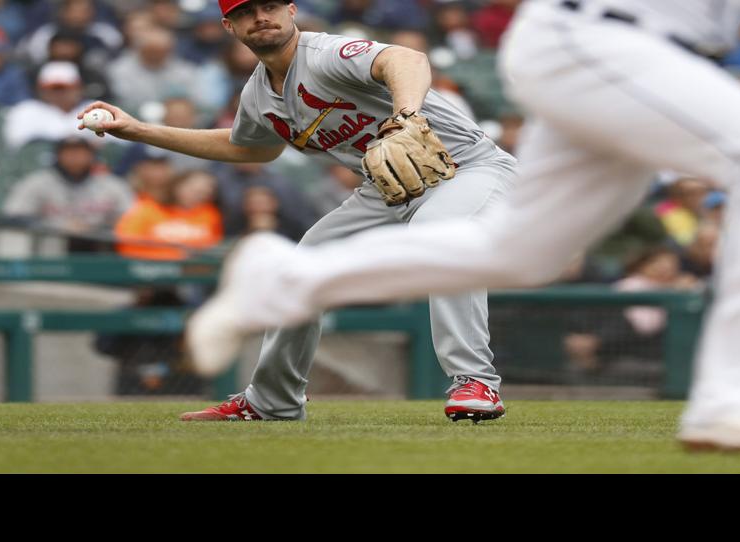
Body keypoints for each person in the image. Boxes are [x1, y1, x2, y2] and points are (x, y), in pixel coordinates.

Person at [188, 0, 740, 456]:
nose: (260, 15)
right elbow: (399, 61)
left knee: (520, 252)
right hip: (597, 38)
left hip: (613, 54)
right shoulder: (298, 70)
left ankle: (286, 275)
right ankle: (736, 392)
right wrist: (408, 110)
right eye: (244, 11)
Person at [80, 0, 519, 424]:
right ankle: (273, 399)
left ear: (291, 10)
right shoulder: (259, 94)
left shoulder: (325, 54)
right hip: (387, 189)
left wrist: (405, 116)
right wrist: (137, 129)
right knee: (298, 266)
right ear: (229, 28)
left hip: (469, 168)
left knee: (437, 231)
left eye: (269, 6)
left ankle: (474, 380)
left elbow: (406, 58)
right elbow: (244, 146)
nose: (261, 17)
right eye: (245, 12)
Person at [0, 135, 135, 252]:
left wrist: (94, 228)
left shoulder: (111, 185)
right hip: (50, 249)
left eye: (81, 152)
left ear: (92, 156)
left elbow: (132, 219)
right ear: (57, 156)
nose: (75, 157)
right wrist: (58, 226)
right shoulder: (36, 183)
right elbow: (13, 217)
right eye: (69, 152)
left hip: (99, 248)